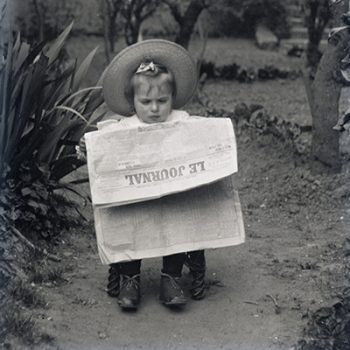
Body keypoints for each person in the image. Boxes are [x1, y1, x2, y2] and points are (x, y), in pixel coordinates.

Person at [79, 40, 206, 310]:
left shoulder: (180, 120)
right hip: (135, 197)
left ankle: (170, 277)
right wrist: (89, 150)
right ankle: (129, 278)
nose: (155, 108)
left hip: (170, 196)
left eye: (162, 100)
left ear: (172, 98)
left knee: (176, 222)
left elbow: (198, 140)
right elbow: (104, 149)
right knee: (129, 221)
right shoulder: (123, 127)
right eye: (145, 102)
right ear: (132, 100)